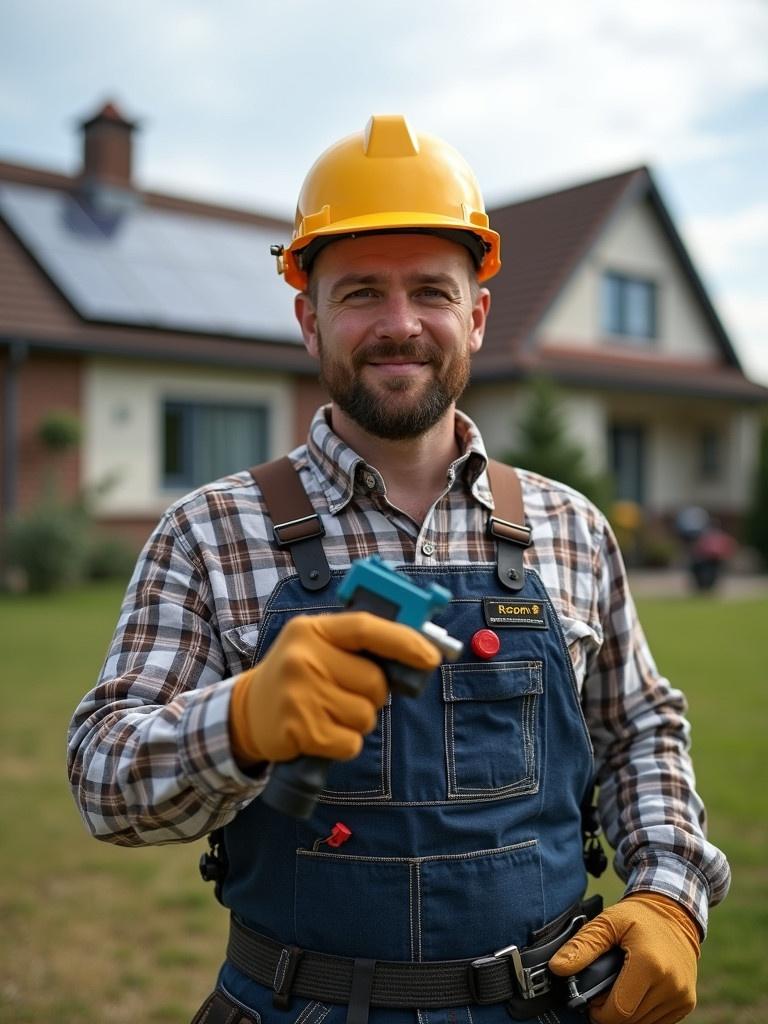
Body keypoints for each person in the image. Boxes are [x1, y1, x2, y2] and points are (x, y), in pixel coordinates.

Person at [68, 115, 730, 1024]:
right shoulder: (210, 531)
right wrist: (243, 720)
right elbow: (103, 784)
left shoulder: (567, 527)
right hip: (294, 1005)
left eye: (431, 291)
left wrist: (668, 893)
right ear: (309, 320)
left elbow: (638, 731)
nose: (400, 325)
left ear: (479, 315)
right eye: (360, 294)